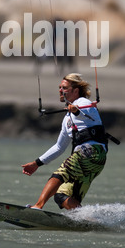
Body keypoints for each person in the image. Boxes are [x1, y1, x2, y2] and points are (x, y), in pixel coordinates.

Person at [21, 73, 108, 210]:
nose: (60, 90)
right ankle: (86, 219)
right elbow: (59, 147)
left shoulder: (83, 103)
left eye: (64, 88)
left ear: (75, 91)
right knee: (61, 196)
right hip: (95, 161)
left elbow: (85, 111)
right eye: (60, 88)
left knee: (58, 175)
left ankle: (38, 206)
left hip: (90, 153)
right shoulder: (67, 119)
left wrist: (76, 111)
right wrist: (37, 163)